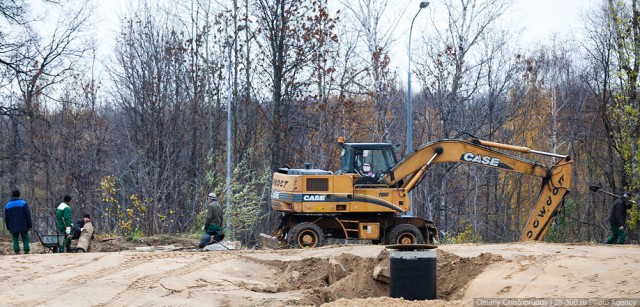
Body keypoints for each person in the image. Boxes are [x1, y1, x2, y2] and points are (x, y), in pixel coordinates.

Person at [4, 190, 33, 254]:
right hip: (23, 224)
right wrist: (29, 225)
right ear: (19, 195)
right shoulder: (23, 203)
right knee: (25, 237)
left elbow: (6, 218)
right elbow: (27, 215)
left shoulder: (7, 205)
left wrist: (8, 227)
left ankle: (16, 250)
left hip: (13, 225)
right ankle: (26, 250)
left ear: (12, 195)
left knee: (15, 238)